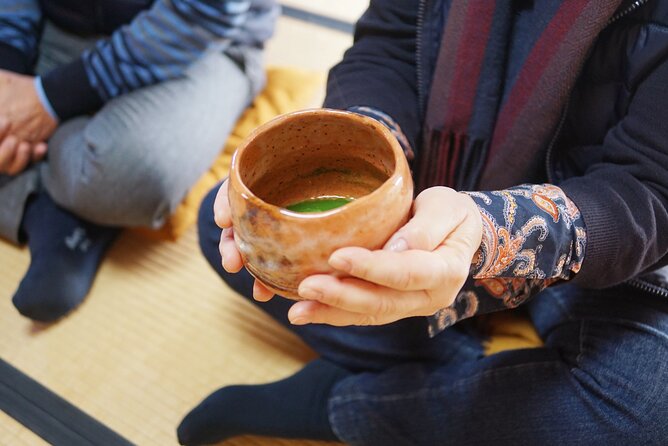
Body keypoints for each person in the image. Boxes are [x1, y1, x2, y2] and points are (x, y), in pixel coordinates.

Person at [180, 1, 668, 444]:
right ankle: (472, 377)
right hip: (435, 186)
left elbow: (648, 192)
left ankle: (336, 404)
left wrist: (492, 232)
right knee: (233, 232)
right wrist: (368, 143)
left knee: (646, 414)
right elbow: (389, 42)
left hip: (607, 246)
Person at [0, 0, 278, 322]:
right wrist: (7, 68)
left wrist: (50, 100)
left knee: (134, 171)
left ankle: (51, 182)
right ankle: (52, 210)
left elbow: (205, 15)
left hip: (197, 43)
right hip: (56, 27)